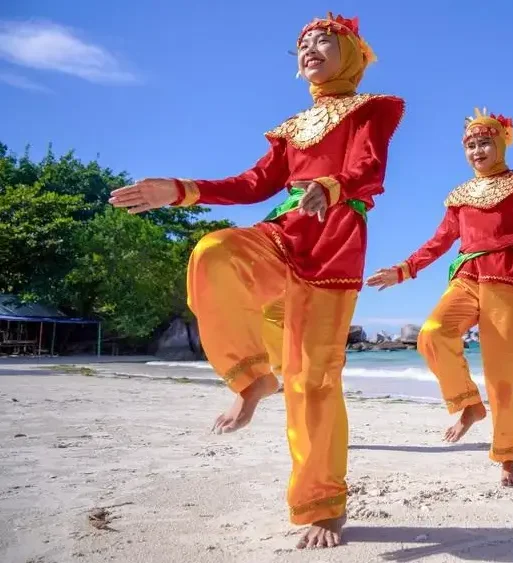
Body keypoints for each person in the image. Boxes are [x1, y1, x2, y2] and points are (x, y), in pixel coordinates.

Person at [109, 14, 405, 548]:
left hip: (334, 246)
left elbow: (369, 169)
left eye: (323, 41)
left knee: (313, 381)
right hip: (283, 234)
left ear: (352, 55)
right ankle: (252, 380)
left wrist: (331, 186)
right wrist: (181, 190)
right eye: (302, 44)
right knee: (215, 252)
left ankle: (323, 505)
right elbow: (253, 183)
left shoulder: (371, 109)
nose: (309, 49)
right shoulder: (291, 127)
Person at [365, 108, 513, 486]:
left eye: (484, 143)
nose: (477, 151)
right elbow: (440, 240)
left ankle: (507, 455)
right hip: (466, 277)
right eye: (470, 145)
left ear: (501, 144)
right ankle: (469, 404)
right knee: (432, 334)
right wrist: (404, 269)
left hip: (507, 280)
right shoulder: (459, 195)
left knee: (502, 375)